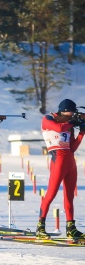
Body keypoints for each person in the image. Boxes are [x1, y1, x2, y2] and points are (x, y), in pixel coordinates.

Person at [37, 99, 85, 239]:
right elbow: (58, 128)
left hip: (70, 160)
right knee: (51, 193)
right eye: (72, 112)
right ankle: (40, 226)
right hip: (58, 158)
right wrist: (73, 121)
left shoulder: (68, 124)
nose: (73, 115)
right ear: (64, 110)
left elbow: (73, 148)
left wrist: (82, 132)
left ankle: (71, 227)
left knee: (69, 196)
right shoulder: (48, 118)